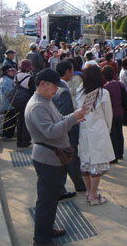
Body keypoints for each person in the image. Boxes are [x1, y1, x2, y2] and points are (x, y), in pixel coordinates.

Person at [25, 68, 86, 246]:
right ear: (43, 84)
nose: (56, 91)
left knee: (51, 200)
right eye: (54, 87)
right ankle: (41, 239)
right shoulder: (37, 106)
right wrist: (73, 117)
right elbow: (51, 131)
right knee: (46, 201)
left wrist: (73, 118)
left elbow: (59, 120)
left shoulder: (46, 100)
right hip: (47, 158)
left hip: (54, 157)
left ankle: (47, 230)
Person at [76, 65, 115, 206]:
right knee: (96, 165)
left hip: (84, 130)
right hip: (98, 131)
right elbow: (108, 115)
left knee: (86, 163)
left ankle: (88, 192)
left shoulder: (79, 91)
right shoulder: (103, 93)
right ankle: (93, 195)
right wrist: (107, 130)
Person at [53, 61, 87, 199]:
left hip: (57, 130)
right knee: (71, 157)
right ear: (67, 71)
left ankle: (61, 188)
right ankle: (79, 184)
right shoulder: (63, 91)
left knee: (61, 161)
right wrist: (74, 120)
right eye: (72, 70)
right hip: (66, 131)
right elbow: (65, 116)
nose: (73, 73)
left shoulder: (55, 86)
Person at [103, 65, 126, 162]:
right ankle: (120, 153)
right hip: (120, 111)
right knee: (119, 133)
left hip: (111, 113)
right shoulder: (120, 84)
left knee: (113, 134)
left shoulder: (105, 88)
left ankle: (114, 155)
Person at [14, 59, 36, 148]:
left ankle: (19, 141)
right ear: (28, 68)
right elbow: (32, 91)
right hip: (26, 101)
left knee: (19, 121)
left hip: (16, 100)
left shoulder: (16, 76)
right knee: (26, 121)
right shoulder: (29, 77)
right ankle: (25, 141)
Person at [0, 65, 17, 139]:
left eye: (12, 71)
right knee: (10, 121)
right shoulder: (7, 81)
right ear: (6, 72)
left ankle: (6, 135)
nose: (12, 72)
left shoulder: (2, 79)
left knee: (7, 120)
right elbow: (10, 92)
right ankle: (8, 136)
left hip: (4, 104)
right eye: (10, 71)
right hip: (9, 104)